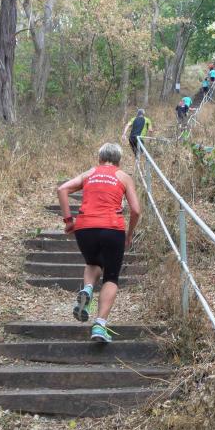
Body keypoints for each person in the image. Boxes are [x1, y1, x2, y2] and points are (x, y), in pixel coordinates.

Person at [57, 143, 141, 343]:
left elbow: (62, 189)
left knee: (93, 263)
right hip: (112, 228)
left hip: (85, 227)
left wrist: (69, 221)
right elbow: (136, 210)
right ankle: (99, 325)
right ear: (119, 161)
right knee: (111, 276)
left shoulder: (90, 173)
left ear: (99, 158)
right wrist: (129, 234)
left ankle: (87, 288)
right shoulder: (123, 177)